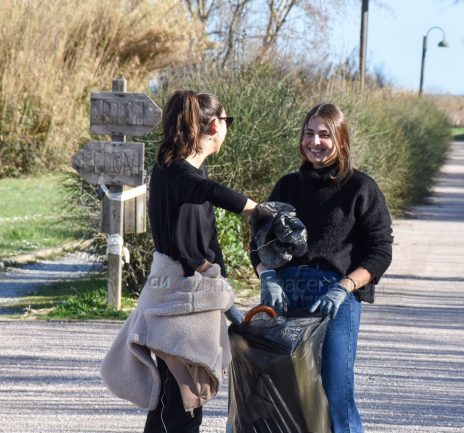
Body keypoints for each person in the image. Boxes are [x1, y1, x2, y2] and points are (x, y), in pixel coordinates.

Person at [102, 89, 256, 433]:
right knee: (183, 405)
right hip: (180, 302)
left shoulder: (180, 175)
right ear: (215, 126)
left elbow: (203, 245)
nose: (227, 128)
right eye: (226, 121)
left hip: (185, 299)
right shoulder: (177, 173)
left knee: (175, 402)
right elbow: (209, 198)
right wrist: (257, 210)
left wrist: (226, 296)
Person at [249, 102, 393, 433]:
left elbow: (380, 251)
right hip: (283, 297)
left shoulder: (361, 188)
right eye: (309, 133)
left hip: (334, 299)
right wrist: (267, 276)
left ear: (341, 139)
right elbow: (258, 241)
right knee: (283, 395)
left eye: (325, 135)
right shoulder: (286, 187)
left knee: (334, 397)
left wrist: (345, 287)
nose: (315, 142)